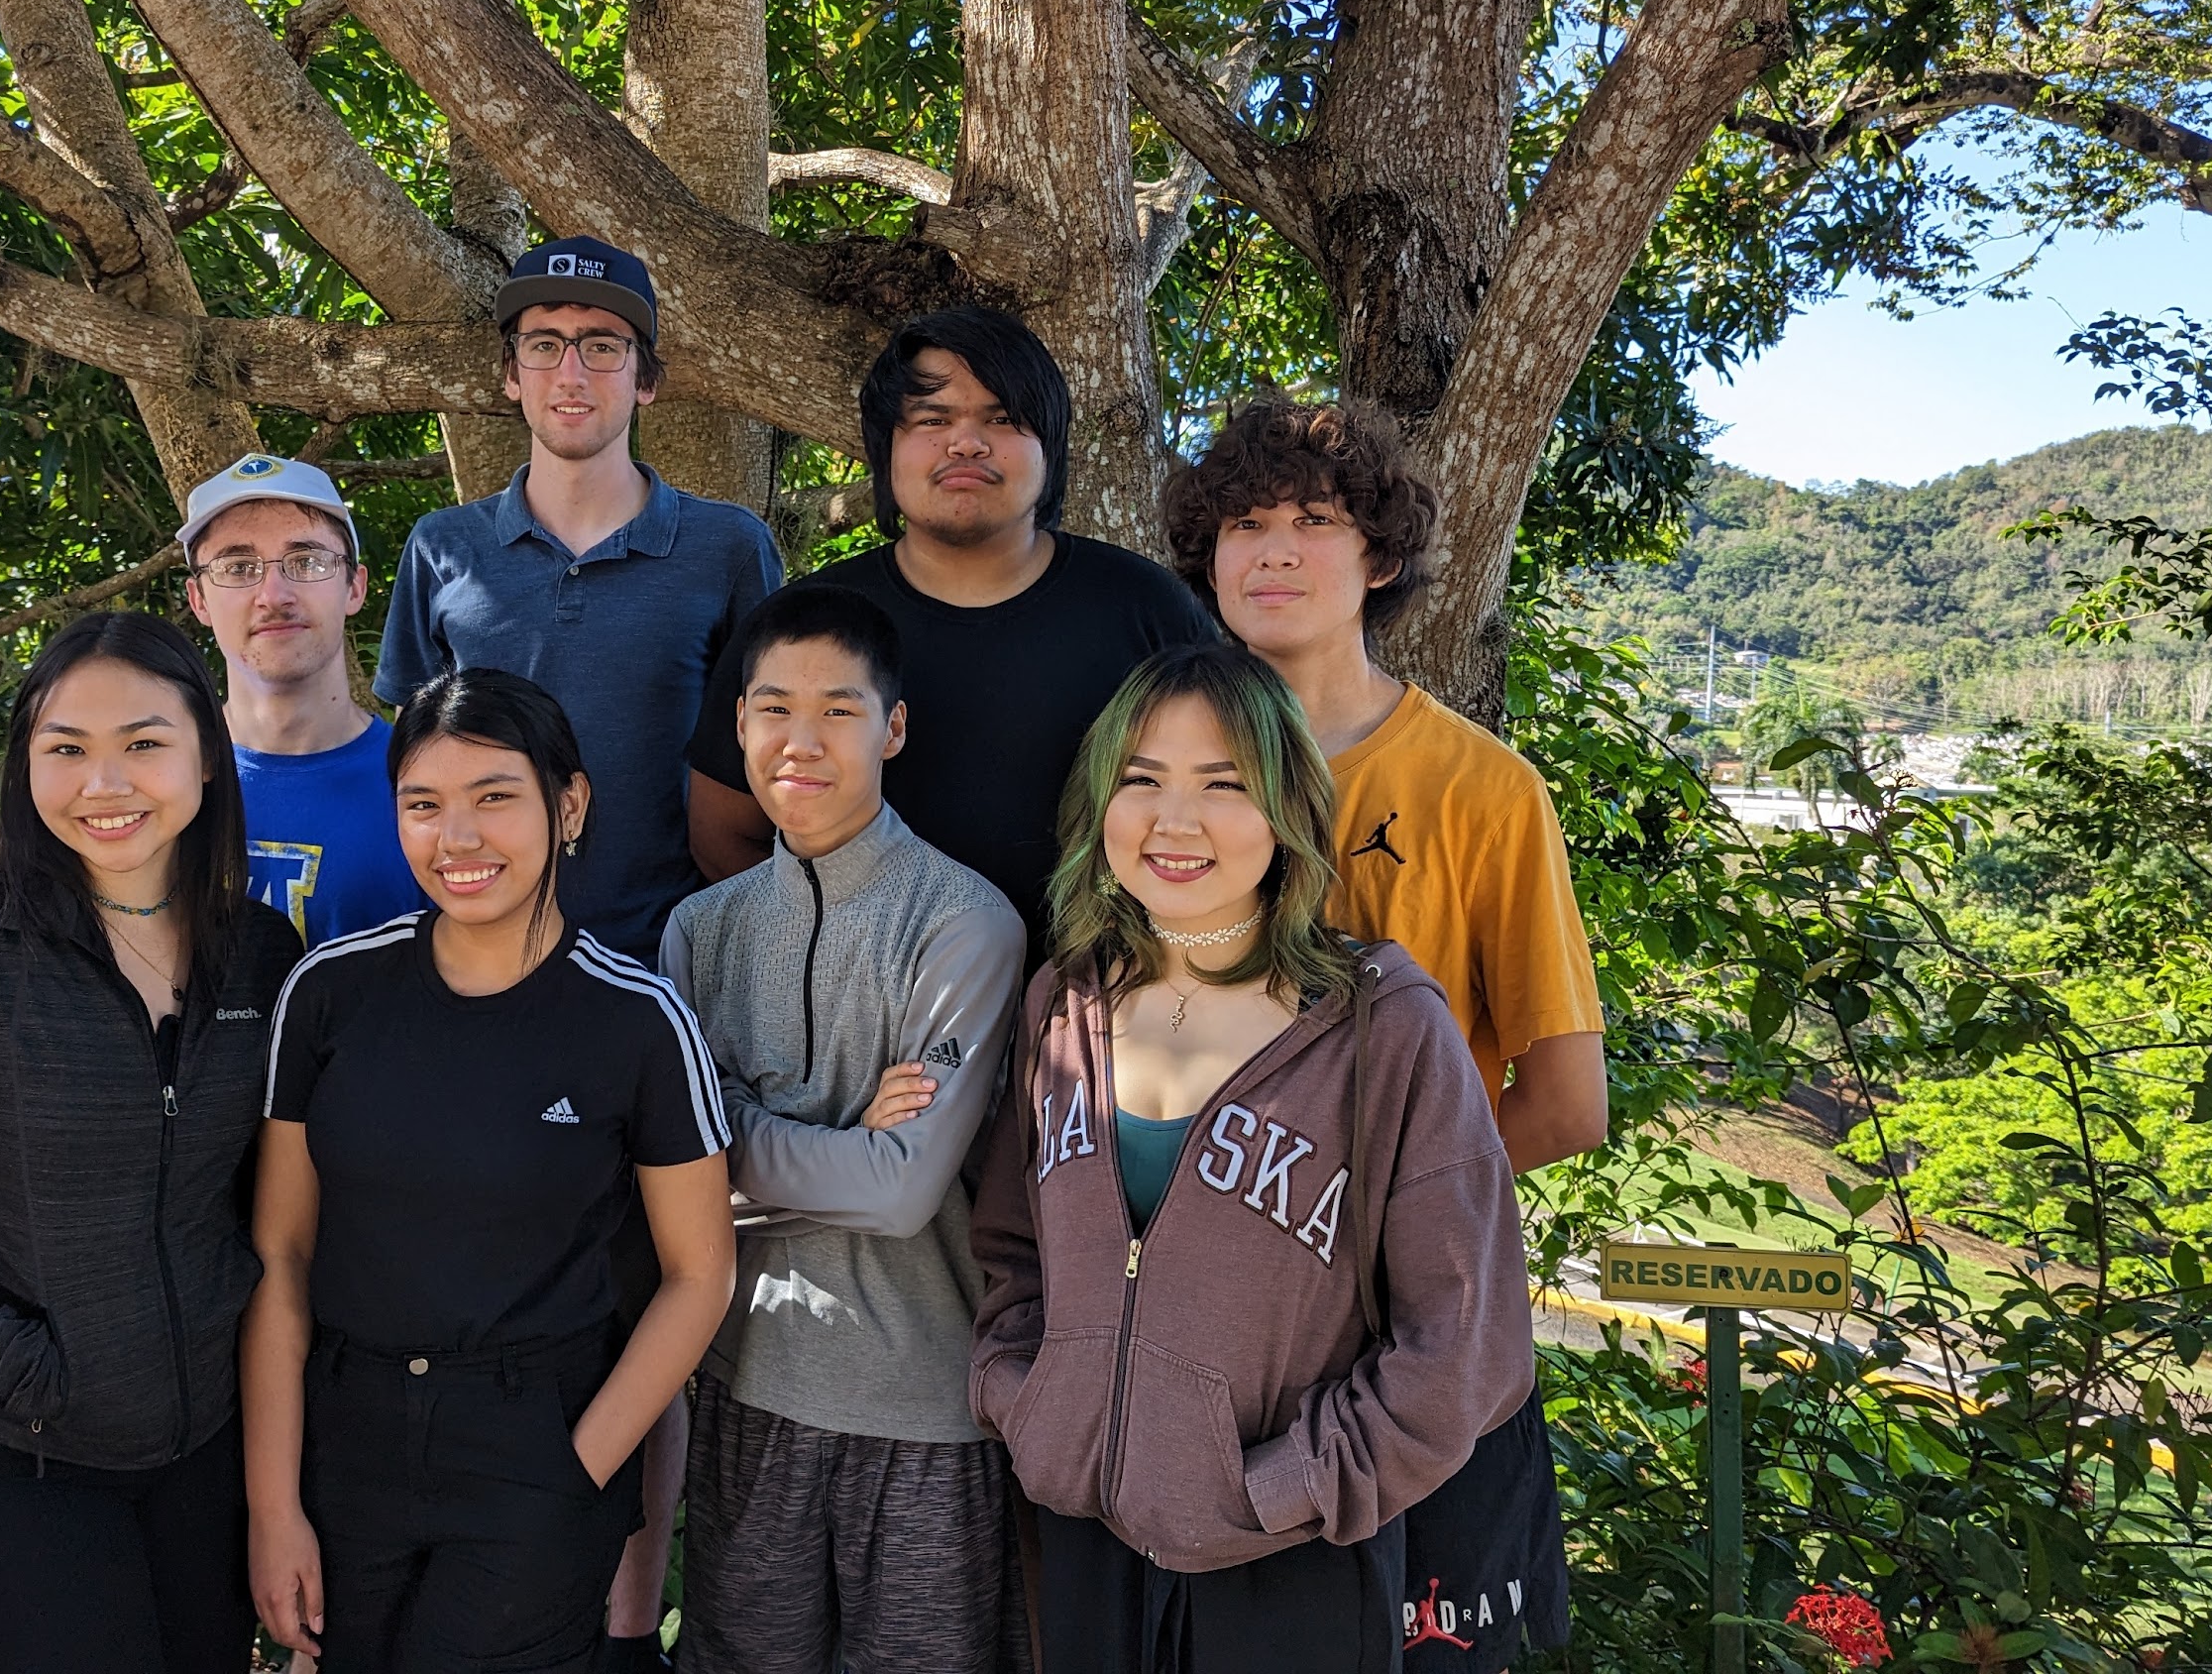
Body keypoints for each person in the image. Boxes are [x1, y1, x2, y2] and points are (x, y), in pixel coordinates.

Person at [965, 645, 1536, 1673]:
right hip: (1086, 1537)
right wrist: (1025, 1399)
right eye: (1141, 779)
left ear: (1286, 809)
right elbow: (1013, 1250)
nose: (1173, 821)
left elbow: (1465, 1342)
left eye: (1222, 785)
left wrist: (1283, 1486)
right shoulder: (1065, 1003)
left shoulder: (1380, 1030)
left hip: (1290, 1565)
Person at [1163, 397, 1605, 1665]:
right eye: (1244, 523)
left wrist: (1368, 1214)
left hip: (1416, 1338)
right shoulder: (1150, 772)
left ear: (1384, 557)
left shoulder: (1480, 788)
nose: (1275, 549)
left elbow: (1569, 1102)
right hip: (1213, 1342)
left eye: (1314, 520)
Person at [0, 612, 304, 1674]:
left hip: (206, 1454)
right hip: (21, 1459)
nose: (104, 781)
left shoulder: (261, 951)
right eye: (65, 749)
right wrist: (23, 1368)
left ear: (206, 755)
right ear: (24, 762)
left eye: (142, 742)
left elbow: (265, 1205)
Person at [244, 667, 737, 1674]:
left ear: (569, 804)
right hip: (350, 1438)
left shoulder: (636, 1019)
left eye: (494, 797)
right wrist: (273, 1505)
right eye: (423, 805)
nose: (456, 838)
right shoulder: (328, 994)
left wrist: (576, 1471)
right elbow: (282, 1255)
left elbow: (699, 1275)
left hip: (536, 1438)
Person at [658, 586, 1032, 1673]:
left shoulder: (964, 921)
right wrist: (844, 1140)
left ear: (893, 727)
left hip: (925, 1409)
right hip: (746, 1384)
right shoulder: (698, 932)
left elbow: (901, 1192)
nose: (799, 741)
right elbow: (666, 1186)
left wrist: (736, 1136)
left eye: (838, 709)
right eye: (772, 708)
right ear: (737, 727)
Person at [683, 306, 1215, 952]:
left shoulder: (1146, 609)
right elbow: (723, 833)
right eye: (933, 421)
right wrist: (835, 961)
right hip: (870, 1032)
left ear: (1050, 449)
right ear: (886, 451)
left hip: (1105, 1019)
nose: (966, 443)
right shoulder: (806, 626)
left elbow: (1231, 805)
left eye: (1001, 419)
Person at [376, 235, 782, 960]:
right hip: (486, 958)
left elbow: (767, 757)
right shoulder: (441, 547)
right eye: (543, 345)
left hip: (680, 959)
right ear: (511, 373)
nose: (570, 372)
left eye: (601, 346)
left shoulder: (728, 548)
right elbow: (416, 764)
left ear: (645, 379)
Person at [181, 451, 426, 946]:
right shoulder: (158, 779)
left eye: (308, 561)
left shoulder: (424, 783)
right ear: (199, 600)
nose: (274, 594)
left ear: (354, 588)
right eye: (237, 566)